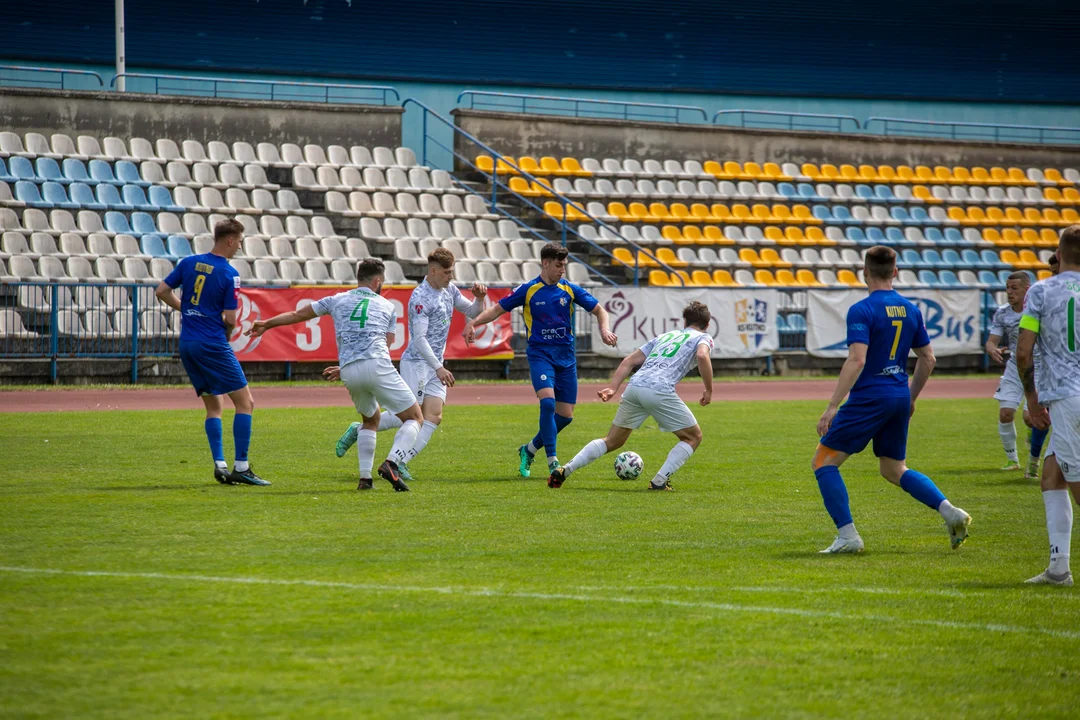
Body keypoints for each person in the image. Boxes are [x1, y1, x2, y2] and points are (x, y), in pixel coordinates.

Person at [812, 245, 971, 553]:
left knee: (823, 461)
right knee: (893, 469)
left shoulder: (862, 309)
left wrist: (832, 406)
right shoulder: (912, 310)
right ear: (895, 272)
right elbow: (928, 359)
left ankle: (848, 536)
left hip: (870, 396)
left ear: (865, 272)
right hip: (898, 394)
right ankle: (949, 511)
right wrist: (910, 398)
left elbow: (857, 360)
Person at [247, 258, 421, 491]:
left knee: (370, 420)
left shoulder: (337, 299)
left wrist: (267, 324)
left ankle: (365, 479)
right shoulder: (388, 306)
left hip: (350, 369)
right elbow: (386, 344)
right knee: (414, 417)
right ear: (378, 281)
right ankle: (392, 462)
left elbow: (298, 315)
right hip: (378, 364)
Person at [331, 248, 487, 480]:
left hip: (435, 364)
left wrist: (480, 298)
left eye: (452, 272)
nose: (451, 276)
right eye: (447, 272)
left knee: (434, 415)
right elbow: (420, 339)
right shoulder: (420, 298)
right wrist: (438, 367)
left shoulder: (449, 290)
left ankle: (401, 461)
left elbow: (472, 311)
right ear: (433, 271)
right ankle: (361, 427)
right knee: (410, 415)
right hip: (418, 362)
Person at [464, 243, 618, 477]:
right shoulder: (529, 290)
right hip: (540, 355)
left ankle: (529, 449)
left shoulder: (569, 289)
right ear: (545, 263)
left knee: (565, 417)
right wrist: (473, 323)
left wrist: (605, 330)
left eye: (564, 266)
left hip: (566, 358)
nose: (562, 270)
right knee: (547, 403)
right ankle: (553, 461)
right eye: (558, 265)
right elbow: (496, 310)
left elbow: (600, 311)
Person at [548, 301, 714, 491]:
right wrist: (708, 389)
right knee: (693, 437)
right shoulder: (704, 338)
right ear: (707, 325)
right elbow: (702, 356)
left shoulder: (666, 336)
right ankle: (660, 481)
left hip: (634, 386)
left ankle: (565, 470)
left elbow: (629, 360)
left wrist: (612, 388)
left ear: (684, 321)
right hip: (659, 389)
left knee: (613, 440)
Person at [154, 218, 267, 486]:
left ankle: (220, 465)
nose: (240, 246)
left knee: (214, 405)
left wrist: (190, 311)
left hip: (188, 344)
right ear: (230, 240)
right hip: (212, 344)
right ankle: (241, 467)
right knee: (245, 403)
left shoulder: (189, 262)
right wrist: (224, 332)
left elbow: (161, 290)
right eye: (239, 241)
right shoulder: (229, 274)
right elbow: (230, 318)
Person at [1017, 228, 1080, 586]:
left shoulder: (1040, 290)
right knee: (1051, 476)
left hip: (1068, 398)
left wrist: (1031, 398)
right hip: (1070, 399)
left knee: (1076, 485)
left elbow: (1024, 350)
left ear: (1060, 251)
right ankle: (1059, 568)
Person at [986, 271, 1048, 477]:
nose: (1009, 293)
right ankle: (1012, 460)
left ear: (1027, 289)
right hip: (1015, 366)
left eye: (1014, 288)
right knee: (1005, 413)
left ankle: (1034, 448)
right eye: (1007, 288)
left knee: (1031, 418)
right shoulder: (1003, 313)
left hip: (1040, 366)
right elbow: (991, 341)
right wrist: (992, 348)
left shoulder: (1038, 310)